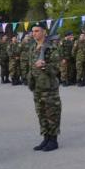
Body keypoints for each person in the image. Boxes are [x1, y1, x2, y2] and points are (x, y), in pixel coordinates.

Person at [27, 22, 62, 151]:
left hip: (49, 87)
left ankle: (53, 140)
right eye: (33, 31)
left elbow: (57, 69)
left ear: (44, 32)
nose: (34, 33)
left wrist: (45, 66)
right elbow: (31, 67)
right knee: (41, 114)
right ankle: (46, 138)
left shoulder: (52, 48)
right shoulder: (32, 48)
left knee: (52, 113)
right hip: (37, 87)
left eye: (37, 31)